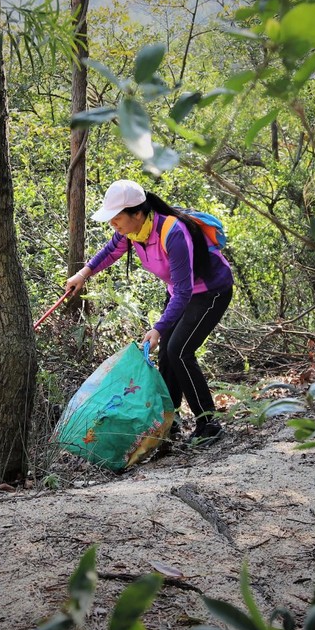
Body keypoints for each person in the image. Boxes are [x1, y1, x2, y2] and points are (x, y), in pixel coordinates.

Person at [64, 179, 234, 446]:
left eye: (117, 217)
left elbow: (184, 291)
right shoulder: (133, 232)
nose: (113, 224)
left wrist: (158, 328)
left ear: (137, 213)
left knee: (179, 351)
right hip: (180, 293)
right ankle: (169, 423)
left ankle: (208, 423)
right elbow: (111, 251)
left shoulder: (172, 232)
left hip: (210, 292)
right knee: (167, 353)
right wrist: (83, 274)